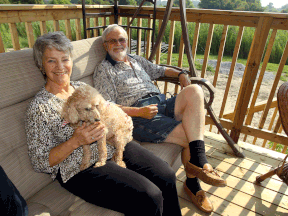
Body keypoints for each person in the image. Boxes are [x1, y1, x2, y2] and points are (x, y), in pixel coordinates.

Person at [25, 31, 182, 216]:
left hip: (112, 142)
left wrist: (123, 117)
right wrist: (75, 141)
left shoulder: (82, 87)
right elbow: (40, 161)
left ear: (71, 62)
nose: (60, 66)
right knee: (150, 196)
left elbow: (107, 106)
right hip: (80, 168)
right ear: (41, 65)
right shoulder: (39, 107)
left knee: (166, 175)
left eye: (65, 59)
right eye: (51, 60)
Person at [94, 24, 227, 213]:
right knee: (192, 132)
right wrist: (138, 112)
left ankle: (198, 160)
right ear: (105, 45)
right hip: (140, 115)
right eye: (112, 41)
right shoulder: (104, 69)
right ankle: (193, 181)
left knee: (195, 90)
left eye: (122, 39)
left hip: (162, 104)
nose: (118, 44)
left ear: (127, 42)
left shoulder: (136, 59)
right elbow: (107, 106)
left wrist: (181, 74)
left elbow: (160, 70)